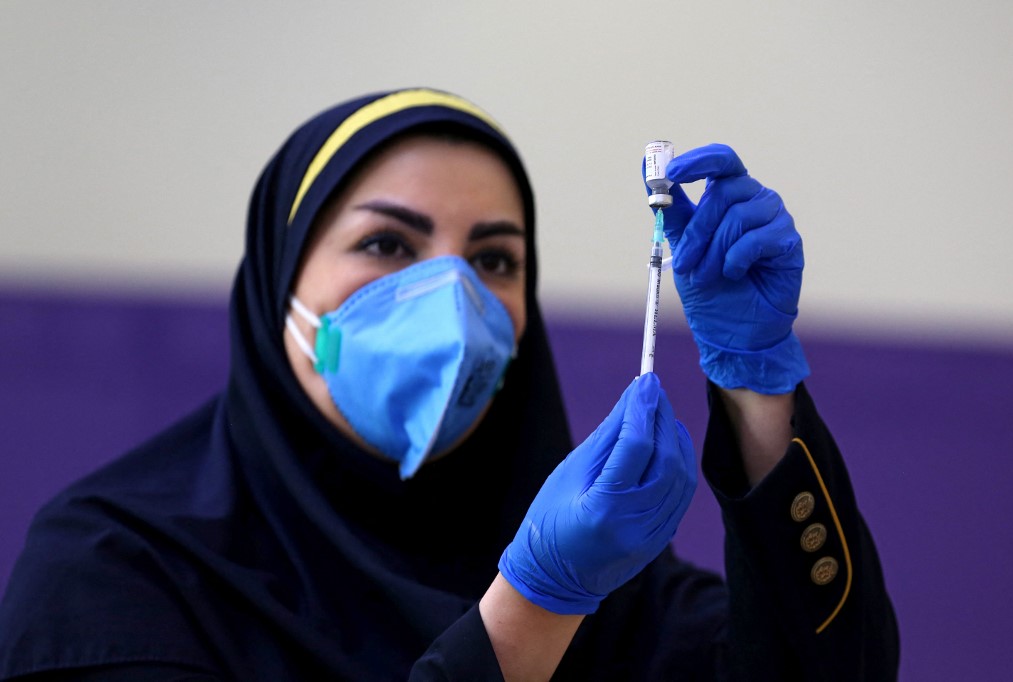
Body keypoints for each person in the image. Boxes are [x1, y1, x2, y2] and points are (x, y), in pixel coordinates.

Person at [0, 88, 898, 681]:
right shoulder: (118, 571)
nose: (454, 298)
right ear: (283, 284)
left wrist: (756, 388)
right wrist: (533, 608)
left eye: (495, 259)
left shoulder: (615, 585)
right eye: (388, 245)